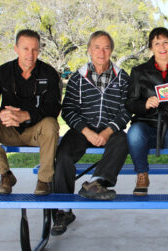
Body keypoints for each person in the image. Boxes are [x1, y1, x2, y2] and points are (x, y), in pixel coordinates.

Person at [51, 31, 130, 235]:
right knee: (63, 156)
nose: (101, 52)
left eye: (106, 47)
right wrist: (86, 131)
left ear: (111, 50)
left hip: (109, 130)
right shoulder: (78, 77)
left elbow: (126, 110)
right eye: (96, 47)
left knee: (122, 140)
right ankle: (63, 211)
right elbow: (68, 110)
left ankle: (96, 183)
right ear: (89, 49)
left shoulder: (122, 77)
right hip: (82, 130)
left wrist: (107, 131)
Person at [0, 29, 61, 196]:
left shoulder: (49, 73)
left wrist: (27, 115)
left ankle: (44, 180)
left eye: (35, 49)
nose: (30, 54)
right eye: (25, 49)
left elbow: (54, 108)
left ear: (39, 50)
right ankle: (5, 175)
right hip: (9, 129)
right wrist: (1, 113)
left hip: (37, 132)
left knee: (51, 124)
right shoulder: (3, 72)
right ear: (16, 49)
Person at [126, 27, 168, 196]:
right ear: (151, 47)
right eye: (157, 43)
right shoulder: (138, 72)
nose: (162, 47)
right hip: (146, 123)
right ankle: (142, 174)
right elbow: (130, 103)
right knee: (133, 134)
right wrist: (145, 104)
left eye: (166, 42)